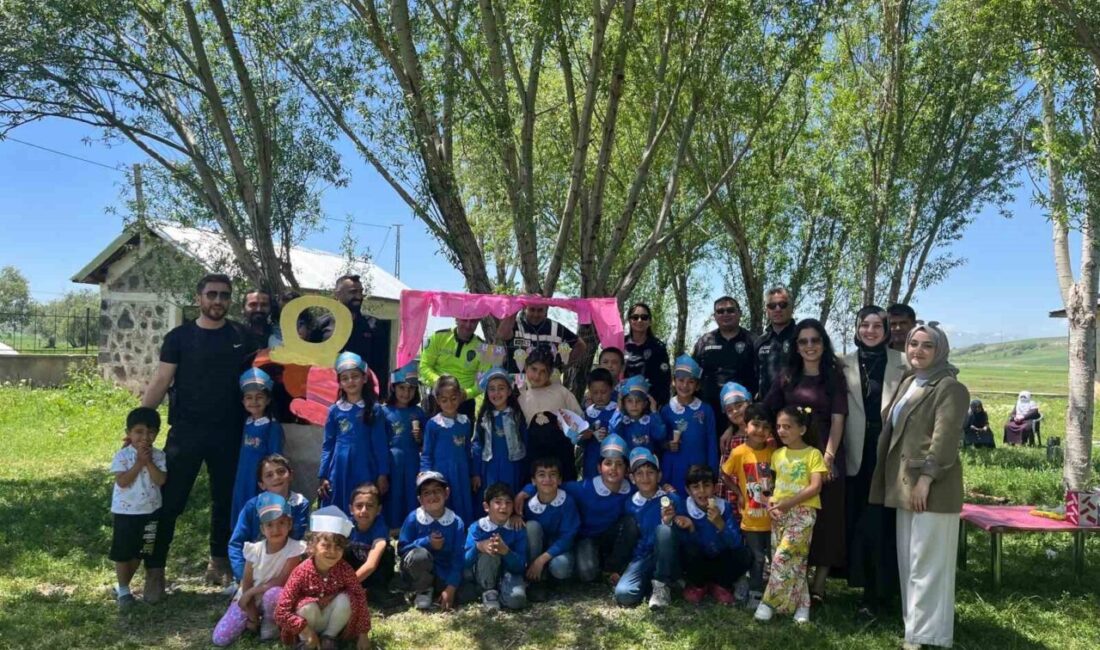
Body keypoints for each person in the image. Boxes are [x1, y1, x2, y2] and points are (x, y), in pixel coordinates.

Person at [142, 273, 258, 597]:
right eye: (212, 295)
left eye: (224, 295)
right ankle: (155, 570)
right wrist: (139, 421)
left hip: (230, 431)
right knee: (170, 501)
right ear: (199, 298)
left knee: (224, 500)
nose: (218, 301)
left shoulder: (241, 336)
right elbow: (162, 379)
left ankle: (219, 561)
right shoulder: (179, 337)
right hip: (186, 432)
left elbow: (261, 374)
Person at [870, 322, 969, 649]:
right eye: (914, 344)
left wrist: (926, 479)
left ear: (939, 350)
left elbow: (945, 440)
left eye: (927, 345)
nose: (918, 351)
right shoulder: (910, 382)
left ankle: (927, 635)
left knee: (928, 563)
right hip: (904, 485)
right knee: (909, 561)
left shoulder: (949, 387)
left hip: (932, 487)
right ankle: (916, 628)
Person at [763, 318, 848, 602]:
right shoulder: (787, 376)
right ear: (796, 347)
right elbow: (767, 409)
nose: (810, 346)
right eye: (803, 341)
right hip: (792, 459)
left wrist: (829, 458)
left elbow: (838, 420)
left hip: (826, 453)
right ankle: (795, 582)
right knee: (794, 518)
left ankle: (819, 585)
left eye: (815, 340)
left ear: (823, 343)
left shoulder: (835, 376)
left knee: (828, 519)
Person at [842, 305, 907, 617]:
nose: (869, 331)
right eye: (864, 325)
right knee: (861, 522)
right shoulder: (842, 364)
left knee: (884, 522)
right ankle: (866, 591)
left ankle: (885, 592)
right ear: (857, 329)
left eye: (876, 325)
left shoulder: (904, 362)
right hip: (855, 454)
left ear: (886, 329)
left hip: (889, 453)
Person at [517, 434, 637, 586]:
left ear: (626, 469)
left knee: (630, 523)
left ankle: (612, 569)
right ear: (599, 468)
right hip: (586, 537)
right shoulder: (583, 488)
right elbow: (550, 486)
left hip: (611, 537)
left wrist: (667, 490)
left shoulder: (631, 490)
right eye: (608, 463)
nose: (613, 469)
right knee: (587, 572)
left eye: (619, 464)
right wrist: (525, 491)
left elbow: (650, 491)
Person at [754, 407, 827, 624]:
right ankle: (802, 606)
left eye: (787, 426)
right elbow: (769, 486)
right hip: (779, 513)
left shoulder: (813, 454)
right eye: (778, 427)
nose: (781, 431)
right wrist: (771, 504)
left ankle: (767, 603)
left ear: (802, 429)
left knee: (782, 557)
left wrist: (788, 503)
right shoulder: (777, 454)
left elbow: (815, 487)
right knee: (795, 561)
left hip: (803, 512)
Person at [212, 492, 305, 646]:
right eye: (269, 525)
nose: (275, 529)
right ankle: (253, 622)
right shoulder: (254, 550)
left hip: (274, 597)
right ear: (262, 529)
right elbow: (246, 582)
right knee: (220, 639)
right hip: (250, 599)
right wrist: (251, 611)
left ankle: (270, 622)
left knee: (274, 593)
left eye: (281, 523)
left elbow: (281, 580)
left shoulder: (294, 549)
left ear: (289, 525)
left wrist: (250, 592)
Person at [275, 506, 372, 649]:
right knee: (307, 607)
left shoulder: (345, 569)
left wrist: (363, 634)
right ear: (312, 546)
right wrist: (306, 631)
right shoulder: (301, 572)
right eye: (326, 546)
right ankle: (307, 643)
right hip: (307, 624)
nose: (332, 552)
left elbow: (359, 597)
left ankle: (329, 638)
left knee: (347, 598)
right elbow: (281, 612)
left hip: (331, 620)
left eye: (338, 547)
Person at [318, 352, 391, 514]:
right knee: (338, 505)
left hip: (365, 466)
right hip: (339, 468)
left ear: (364, 378)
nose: (350, 381)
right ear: (340, 383)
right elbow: (328, 445)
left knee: (362, 503)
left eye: (355, 376)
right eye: (345, 378)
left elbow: (380, 444)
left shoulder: (374, 409)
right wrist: (323, 474)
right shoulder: (335, 410)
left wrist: (382, 474)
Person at [109, 407, 166, 609]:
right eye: (139, 432)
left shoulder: (159, 456)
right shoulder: (123, 456)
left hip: (151, 512)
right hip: (126, 512)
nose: (144, 437)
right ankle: (124, 590)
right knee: (123, 551)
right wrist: (138, 463)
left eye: (150, 432)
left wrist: (148, 462)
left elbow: (160, 480)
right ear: (129, 433)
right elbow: (122, 481)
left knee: (142, 551)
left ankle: (121, 585)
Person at [614, 448, 683, 609]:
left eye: (650, 472)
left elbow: (684, 533)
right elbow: (629, 538)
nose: (645, 478)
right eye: (639, 473)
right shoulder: (630, 503)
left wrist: (668, 521)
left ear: (659, 476)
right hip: (643, 557)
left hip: (667, 555)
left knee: (664, 530)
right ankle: (650, 584)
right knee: (624, 594)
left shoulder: (672, 499)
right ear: (632, 478)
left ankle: (661, 585)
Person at [722, 404, 775, 610]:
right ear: (746, 427)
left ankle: (776, 594)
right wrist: (738, 493)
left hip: (773, 517)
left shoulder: (775, 453)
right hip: (751, 519)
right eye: (756, 425)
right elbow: (724, 474)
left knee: (775, 557)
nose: (760, 431)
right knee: (757, 558)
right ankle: (754, 592)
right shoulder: (738, 452)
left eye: (765, 427)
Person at [675, 464, 753, 606]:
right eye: (696, 487)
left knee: (745, 555)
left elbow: (736, 543)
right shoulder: (683, 507)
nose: (702, 491)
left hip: (720, 561)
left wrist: (720, 524)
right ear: (688, 490)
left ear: (715, 488)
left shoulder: (724, 507)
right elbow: (682, 544)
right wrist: (692, 528)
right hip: (698, 563)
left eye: (707, 485)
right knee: (689, 551)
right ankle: (699, 585)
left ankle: (720, 586)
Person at [228, 455, 311, 583]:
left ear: (291, 475)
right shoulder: (253, 505)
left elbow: (298, 539)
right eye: (269, 475)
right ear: (261, 484)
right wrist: (243, 578)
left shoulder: (300, 503)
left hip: (287, 567)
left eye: (281, 471)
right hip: (255, 568)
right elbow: (236, 543)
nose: (276, 477)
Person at [397, 471, 466, 612]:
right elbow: (402, 549)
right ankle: (422, 590)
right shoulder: (413, 518)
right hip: (417, 570)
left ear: (446, 493)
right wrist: (427, 542)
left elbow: (458, 557)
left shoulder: (456, 522)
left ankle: (441, 589)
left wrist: (451, 588)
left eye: (437, 491)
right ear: (420, 499)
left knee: (467, 593)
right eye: (426, 493)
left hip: (443, 573)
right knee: (419, 555)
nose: (432, 496)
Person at [692, 297, 758, 434]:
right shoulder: (704, 341)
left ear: (739, 313)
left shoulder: (753, 341)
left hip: (741, 415)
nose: (725, 314)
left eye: (730, 310)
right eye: (720, 311)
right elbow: (693, 376)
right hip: (709, 412)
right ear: (714, 316)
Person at [315, 274, 391, 394]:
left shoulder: (374, 325)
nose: (359, 296)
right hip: (328, 393)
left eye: (361, 292)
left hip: (364, 394)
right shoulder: (321, 324)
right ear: (337, 294)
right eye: (353, 292)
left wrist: (382, 393)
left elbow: (381, 363)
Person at [516, 348, 584, 482]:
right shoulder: (521, 398)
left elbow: (579, 421)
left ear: (550, 373)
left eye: (543, 372)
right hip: (535, 462)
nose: (537, 376)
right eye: (534, 369)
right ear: (526, 367)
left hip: (562, 459)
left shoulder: (561, 393)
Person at [230, 368, 284, 531]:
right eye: (249, 398)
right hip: (243, 477)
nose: (254, 402)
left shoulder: (271, 425)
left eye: (259, 397)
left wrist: (270, 480)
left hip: (260, 480)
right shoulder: (247, 422)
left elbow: (275, 456)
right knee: (242, 507)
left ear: (267, 400)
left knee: (257, 511)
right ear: (243, 401)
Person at [520, 457, 580, 601]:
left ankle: (551, 578)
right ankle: (535, 580)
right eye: (541, 475)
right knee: (531, 527)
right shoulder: (527, 504)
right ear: (533, 481)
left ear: (559, 480)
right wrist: (517, 516)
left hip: (560, 549)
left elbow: (568, 537)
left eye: (553, 474)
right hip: (536, 549)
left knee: (561, 566)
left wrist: (541, 560)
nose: (547, 479)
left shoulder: (568, 502)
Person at [420, 375, 477, 523]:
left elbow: (467, 450)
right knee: (445, 503)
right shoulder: (433, 424)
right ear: (438, 401)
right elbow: (427, 453)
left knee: (462, 501)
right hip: (441, 473)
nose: (449, 403)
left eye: (453, 398)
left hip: (462, 471)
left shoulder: (465, 422)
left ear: (460, 397)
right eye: (444, 400)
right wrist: (425, 475)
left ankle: (463, 534)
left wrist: (473, 473)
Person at [464, 483, 529, 610]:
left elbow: (521, 566)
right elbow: (465, 561)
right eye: (498, 502)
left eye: (508, 502)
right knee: (489, 549)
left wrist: (506, 552)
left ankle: (502, 589)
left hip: (509, 573)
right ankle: (488, 591)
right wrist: (478, 547)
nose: (503, 507)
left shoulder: (517, 528)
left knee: (517, 601)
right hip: (483, 572)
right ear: (486, 506)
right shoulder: (477, 527)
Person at [659, 356, 718, 496]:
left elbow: (712, 443)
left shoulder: (706, 410)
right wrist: (668, 445)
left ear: (697, 385)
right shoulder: (666, 410)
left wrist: (713, 474)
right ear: (673, 381)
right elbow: (659, 441)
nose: (685, 386)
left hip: (700, 470)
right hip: (673, 469)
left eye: (690, 382)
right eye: (680, 380)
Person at [381, 362, 427, 531]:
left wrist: (420, 438)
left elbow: (426, 443)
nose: (406, 393)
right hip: (391, 463)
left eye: (410, 389)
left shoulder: (418, 412)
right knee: (392, 496)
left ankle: (409, 531)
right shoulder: (384, 412)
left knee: (410, 495)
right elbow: (379, 442)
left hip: (413, 462)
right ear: (393, 388)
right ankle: (390, 532)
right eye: (402, 388)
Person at [472, 368, 528, 496]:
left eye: (501, 388)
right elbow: (477, 445)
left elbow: (526, 440)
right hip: (489, 467)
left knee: (511, 495)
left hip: (513, 465)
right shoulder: (484, 417)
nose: (496, 393)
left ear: (509, 391)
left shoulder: (517, 415)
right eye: (492, 389)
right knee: (492, 497)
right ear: (487, 392)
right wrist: (476, 472)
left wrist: (526, 467)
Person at [419, 316, 487, 420]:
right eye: (465, 319)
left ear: (478, 321)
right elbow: (424, 367)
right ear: (456, 318)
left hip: (464, 401)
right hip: (438, 400)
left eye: (473, 321)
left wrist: (466, 394)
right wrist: (442, 384)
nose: (468, 325)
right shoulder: (437, 337)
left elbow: (484, 381)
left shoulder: (485, 347)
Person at [497, 303, 588, 373]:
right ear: (525, 309)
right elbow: (502, 334)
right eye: (532, 309)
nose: (536, 314)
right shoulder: (515, 324)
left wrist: (563, 366)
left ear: (546, 310)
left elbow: (581, 345)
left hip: (546, 385)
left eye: (540, 310)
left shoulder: (556, 327)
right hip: (518, 385)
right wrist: (516, 306)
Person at [345, 484, 396, 602]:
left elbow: (371, 564)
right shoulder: (346, 525)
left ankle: (374, 589)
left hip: (375, 572)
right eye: (359, 506)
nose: (364, 510)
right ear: (351, 509)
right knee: (341, 548)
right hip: (355, 571)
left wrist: (347, 586)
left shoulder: (379, 526)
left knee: (387, 551)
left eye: (370, 506)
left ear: (378, 510)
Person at [623, 302, 672, 405]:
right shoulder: (621, 344)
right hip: (624, 403)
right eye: (635, 317)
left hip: (649, 405)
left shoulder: (658, 347)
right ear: (629, 321)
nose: (639, 320)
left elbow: (664, 382)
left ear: (649, 321)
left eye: (644, 317)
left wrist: (658, 407)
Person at [716, 382, 754, 510]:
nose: (736, 411)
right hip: (735, 494)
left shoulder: (762, 433)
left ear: (749, 403)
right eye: (730, 410)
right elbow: (724, 472)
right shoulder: (730, 440)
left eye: (739, 405)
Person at [756, 285, 797, 399]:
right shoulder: (760, 341)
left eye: (782, 305)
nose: (777, 309)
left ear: (791, 307)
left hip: (796, 407)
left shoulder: (802, 337)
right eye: (772, 306)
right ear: (767, 310)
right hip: (766, 407)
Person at [611, 375, 667, 456]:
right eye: (629, 401)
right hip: (626, 464)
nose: (634, 405)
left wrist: (654, 412)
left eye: (638, 401)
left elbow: (660, 435)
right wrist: (619, 409)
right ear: (624, 403)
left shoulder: (650, 421)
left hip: (645, 465)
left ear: (645, 404)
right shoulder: (621, 421)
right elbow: (613, 431)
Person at [581, 368, 619, 479]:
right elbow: (580, 441)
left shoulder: (617, 410)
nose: (599, 396)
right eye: (595, 392)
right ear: (589, 391)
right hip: (592, 457)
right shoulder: (587, 413)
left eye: (603, 392)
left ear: (611, 389)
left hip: (613, 456)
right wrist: (586, 435)